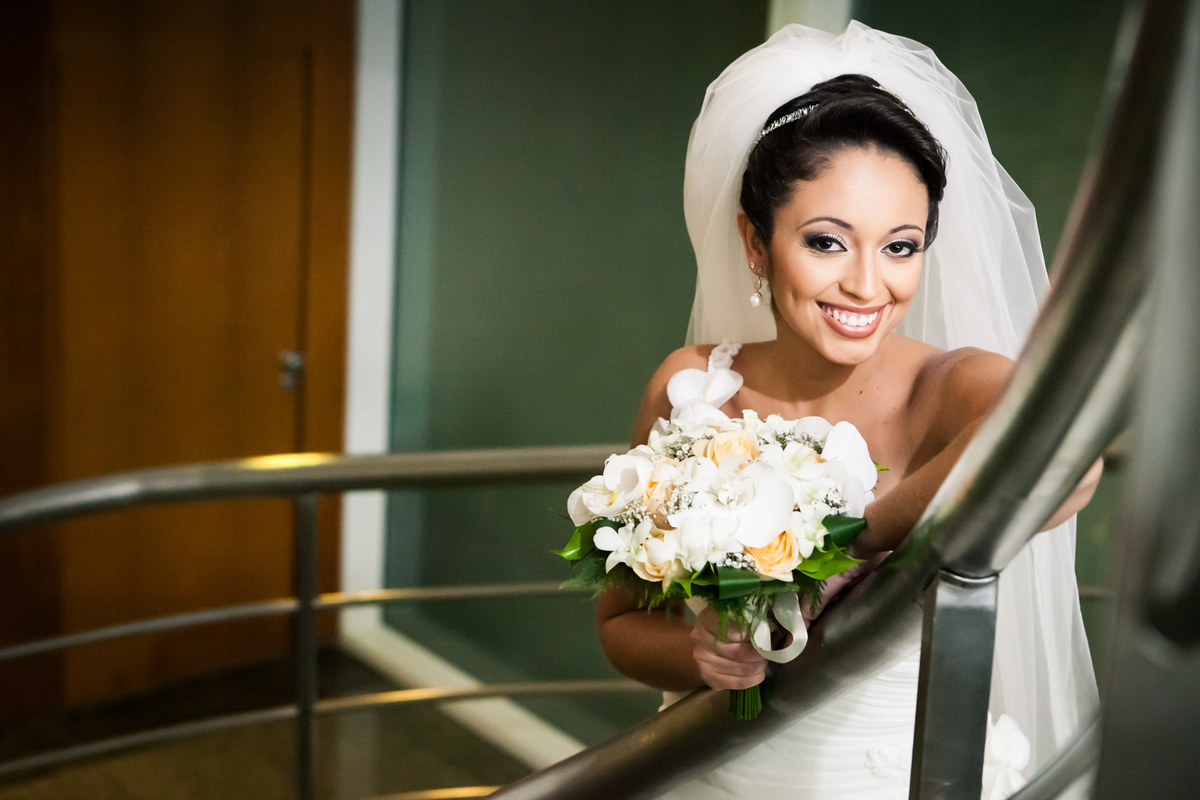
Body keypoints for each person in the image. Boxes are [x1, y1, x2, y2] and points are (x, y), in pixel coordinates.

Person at [595, 22, 1101, 799]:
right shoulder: (694, 389)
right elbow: (619, 625)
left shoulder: (949, 385)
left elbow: (1069, 455)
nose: (869, 286)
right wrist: (698, 652)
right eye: (828, 242)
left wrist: (851, 541)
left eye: (900, 246)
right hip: (702, 772)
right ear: (755, 243)